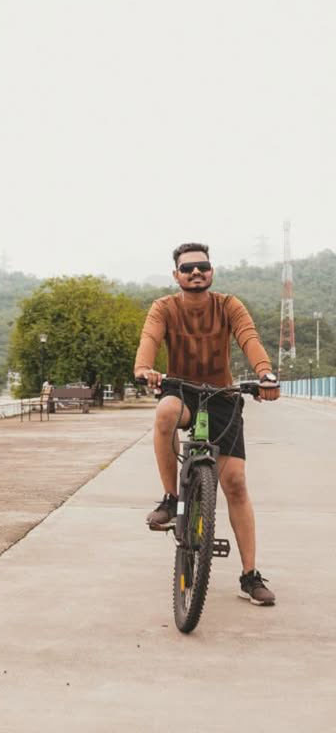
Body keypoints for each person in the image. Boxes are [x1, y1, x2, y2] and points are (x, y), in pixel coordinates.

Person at [134, 242, 280, 607]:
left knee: (235, 483)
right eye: (187, 268)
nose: (195, 272)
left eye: (202, 266)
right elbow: (150, 338)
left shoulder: (229, 305)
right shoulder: (164, 308)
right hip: (181, 391)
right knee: (165, 412)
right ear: (176, 275)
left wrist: (265, 374)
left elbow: (249, 338)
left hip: (222, 396)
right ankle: (171, 498)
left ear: (211, 271)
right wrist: (143, 369)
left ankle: (249, 575)